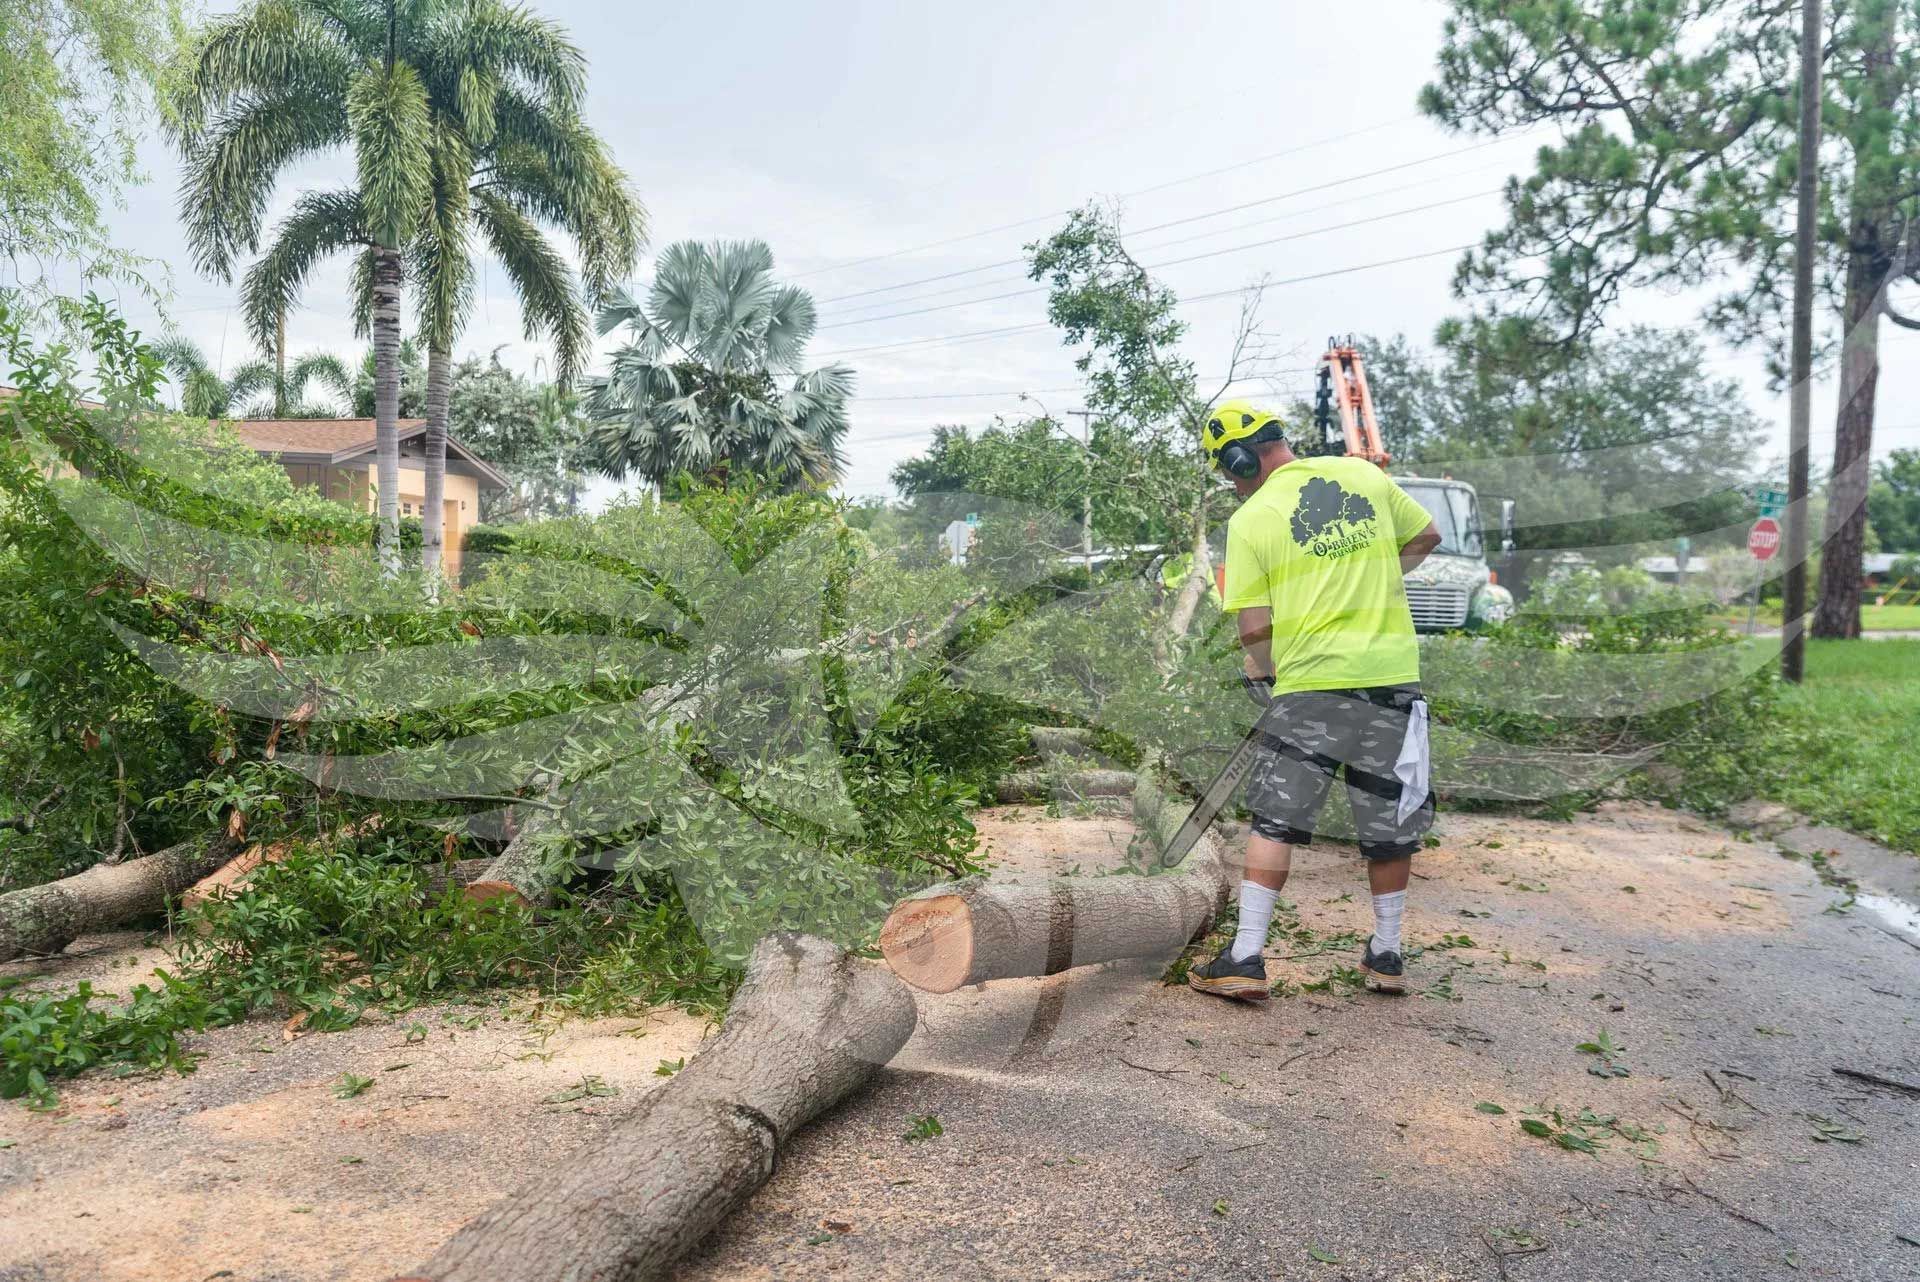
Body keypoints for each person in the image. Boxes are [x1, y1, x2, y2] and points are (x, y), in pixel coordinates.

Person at [1185, 400, 1442, 1002]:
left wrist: (1267, 668)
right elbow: (1426, 534)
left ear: (1239, 459)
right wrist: (1373, 576)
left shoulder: (1251, 520)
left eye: (1228, 471)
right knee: (1390, 817)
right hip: (1393, 679)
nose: (1232, 481)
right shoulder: (1363, 474)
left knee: (1277, 818)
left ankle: (1246, 956)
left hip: (1312, 686)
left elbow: (1254, 631)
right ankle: (1388, 951)